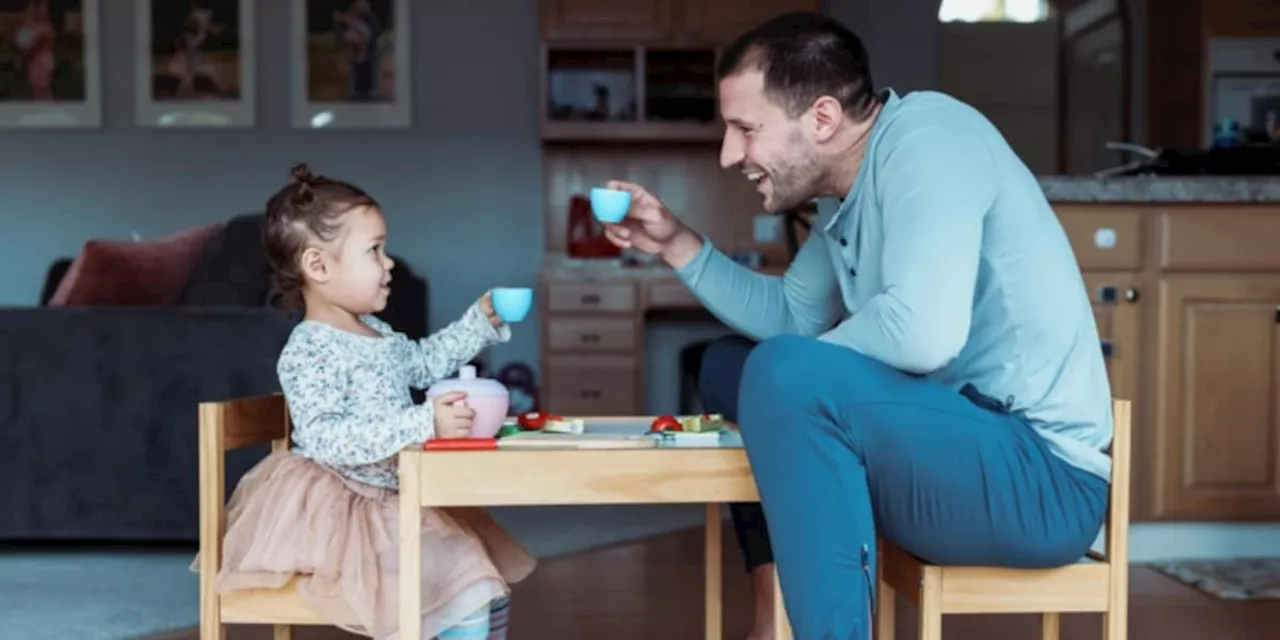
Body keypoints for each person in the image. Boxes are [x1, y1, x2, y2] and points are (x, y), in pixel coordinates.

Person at [602, 12, 1112, 640]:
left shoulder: (930, 140)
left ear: (821, 118)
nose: (730, 154)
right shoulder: (845, 192)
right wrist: (679, 244)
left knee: (783, 374)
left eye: (745, 129)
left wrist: (792, 380)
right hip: (950, 448)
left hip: (1039, 481)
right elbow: (790, 319)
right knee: (731, 363)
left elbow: (923, 335)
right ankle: (775, 612)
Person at [202, 164, 536, 639]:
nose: (389, 263)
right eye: (374, 251)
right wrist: (423, 423)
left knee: (482, 583)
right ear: (318, 266)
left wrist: (478, 322)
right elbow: (327, 438)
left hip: (394, 494)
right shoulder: (310, 348)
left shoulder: (376, 331)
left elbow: (422, 363)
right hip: (344, 507)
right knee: (461, 585)